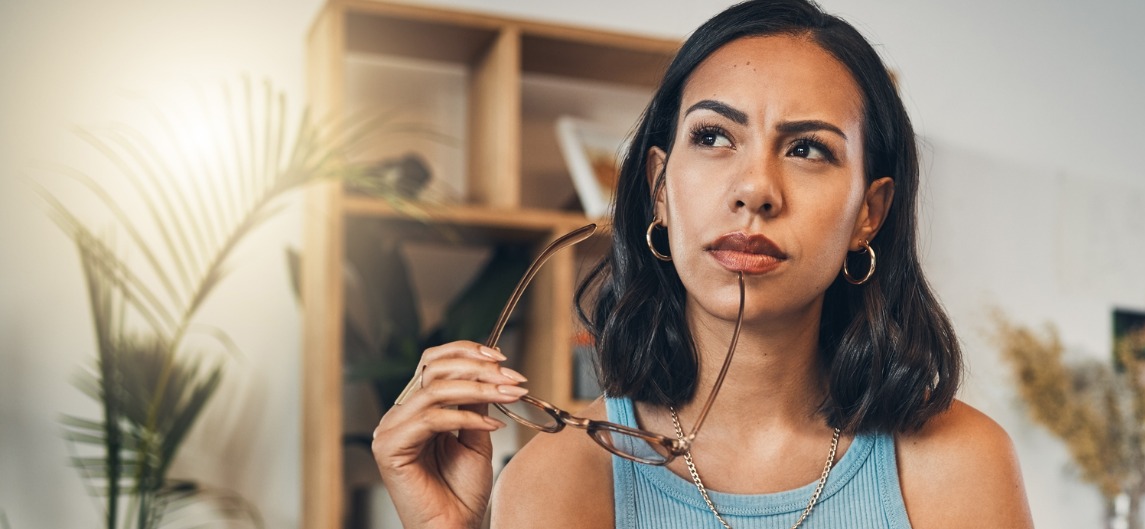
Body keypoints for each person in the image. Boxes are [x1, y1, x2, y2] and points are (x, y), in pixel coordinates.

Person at [369, 1, 1033, 527]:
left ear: (870, 213)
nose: (754, 189)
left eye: (807, 149)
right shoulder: (558, 478)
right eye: (714, 136)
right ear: (660, 187)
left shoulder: (961, 464)